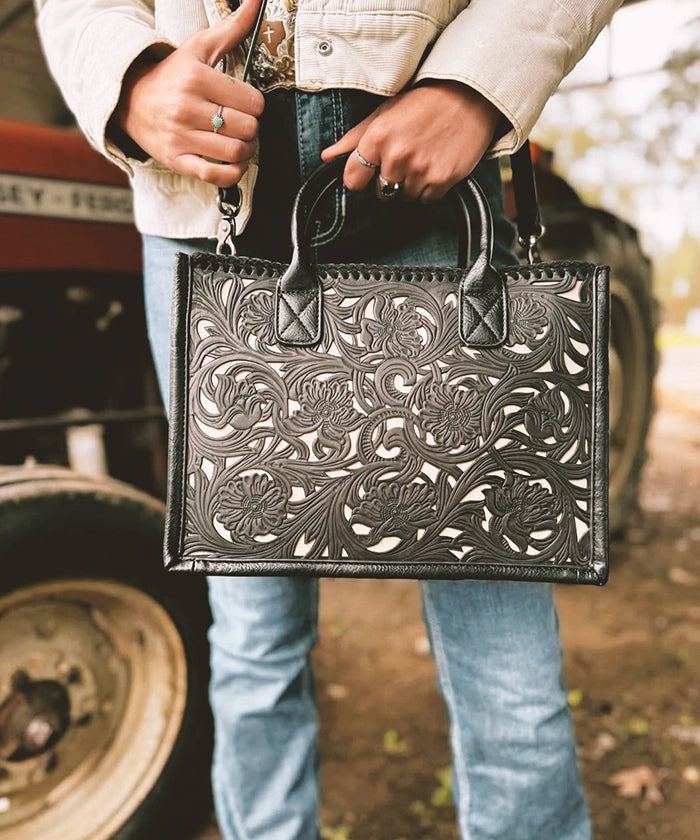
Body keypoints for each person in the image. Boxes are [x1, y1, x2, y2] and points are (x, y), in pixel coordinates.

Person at [35, 1, 621, 837]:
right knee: (251, 635)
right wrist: (130, 81)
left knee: (505, 650)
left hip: (429, 159)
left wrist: (477, 87)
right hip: (202, 192)